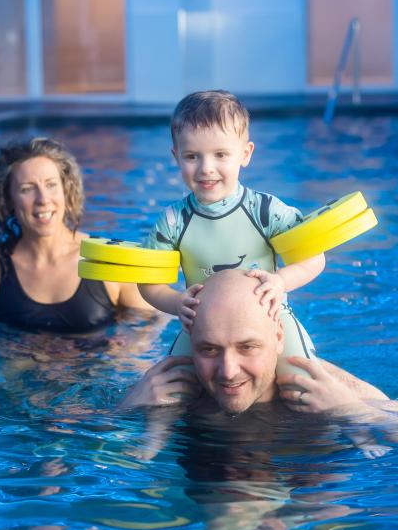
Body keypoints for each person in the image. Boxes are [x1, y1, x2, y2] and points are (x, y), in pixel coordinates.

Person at [121, 270, 398, 453]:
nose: (228, 371)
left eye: (247, 347)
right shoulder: (174, 388)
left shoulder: (323, 385)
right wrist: (128, 405)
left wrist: (354, 410)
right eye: (209, 350)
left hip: (308, 493)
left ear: (278, 337)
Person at [139, 90, 325, 377]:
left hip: (271, 321)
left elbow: (314, 258)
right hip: (202, 331)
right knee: (165, 390)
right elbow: (148, 284)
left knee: (305, 383)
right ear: (176, 157)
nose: (206, 168)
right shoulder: (173, 222)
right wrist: (176, 303)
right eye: (192, 156)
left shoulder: (266, 211)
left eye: (221, 155)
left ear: (245, 154)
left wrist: (280, 282)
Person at [0, 137, 152, 332]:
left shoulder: (111, 261)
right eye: (27, 189)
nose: (43, 199)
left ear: (66, 190)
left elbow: (149, 327)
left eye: (51, 185)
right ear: (8, 199)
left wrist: (123, 353)